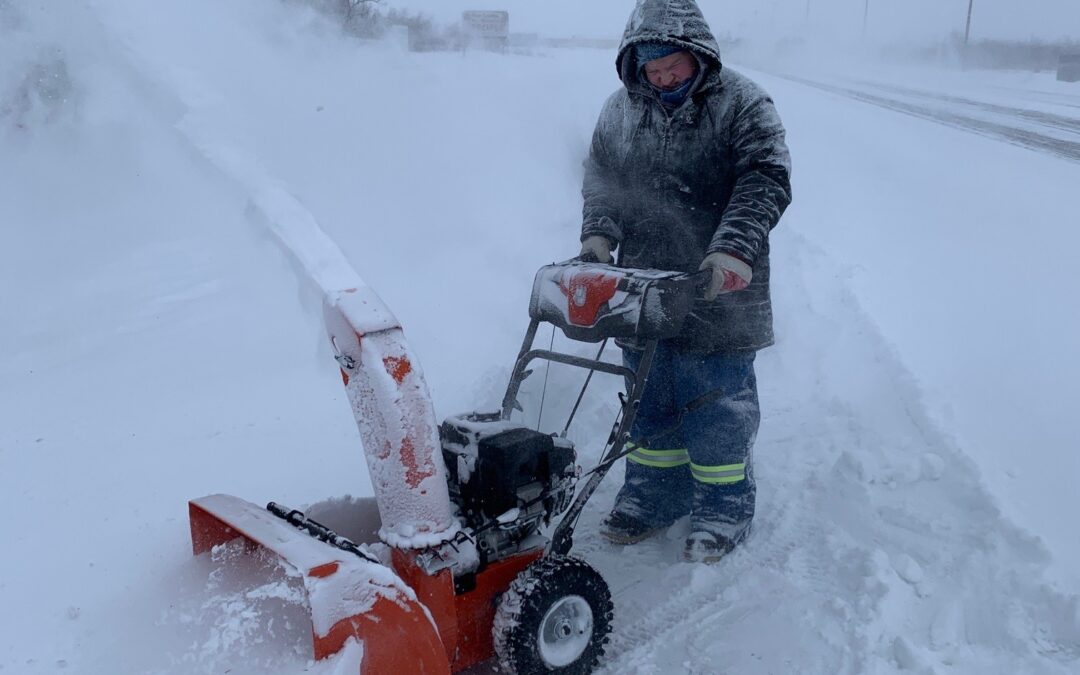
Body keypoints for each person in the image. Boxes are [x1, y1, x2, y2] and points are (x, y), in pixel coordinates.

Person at [579, 0, 792, 563]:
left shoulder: (743, 103)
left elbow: (766, 179)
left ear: (697, 53)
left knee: (715, 400)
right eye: (652, 69)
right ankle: (653, 495)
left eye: (673, 64)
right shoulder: (620, 112)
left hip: (720, 285)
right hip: (644, 284)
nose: (665, 77)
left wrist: (732, 250)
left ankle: (724, 505)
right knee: (648, 396)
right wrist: (598, 235)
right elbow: (601, 179)